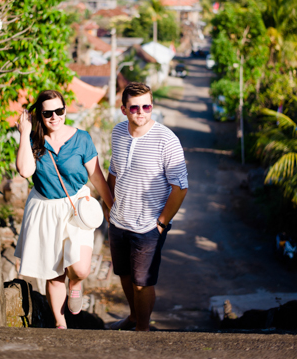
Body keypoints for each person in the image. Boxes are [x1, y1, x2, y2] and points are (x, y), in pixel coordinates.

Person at [14, 90, 114, 329]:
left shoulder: (81, 138)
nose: (54, 117)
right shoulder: (33, 141)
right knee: (54, 272)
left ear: (65, 110)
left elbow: (98, 178)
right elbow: (25, 171)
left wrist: (112, 207)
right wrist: (25, 132)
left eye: (59, 111)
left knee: (80, 268)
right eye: (47, 113)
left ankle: (76, 284)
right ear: (39, 115)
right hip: (45, 210)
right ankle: (60, 324)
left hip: (76, 207)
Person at [107, 82, 188, 332]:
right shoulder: (118, 133)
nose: (141, 111)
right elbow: (114, 171)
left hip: (148, 226)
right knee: (124, 275)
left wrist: (161, 223)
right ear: (124, 109)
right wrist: (109, 206)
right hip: (119, 221)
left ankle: (142, 331)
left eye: (147, 106)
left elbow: (180, 187)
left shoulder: (167, 140)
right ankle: (133, 317)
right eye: (134, 107)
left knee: (142, 283)